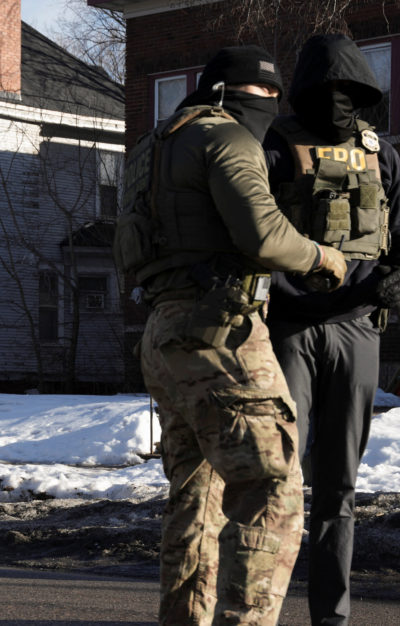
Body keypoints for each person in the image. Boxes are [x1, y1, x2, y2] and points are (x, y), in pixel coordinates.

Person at [114, 46, 347, 624]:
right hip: (222, 333)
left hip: (165, 333)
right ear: (239, 92)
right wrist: (324, 256)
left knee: (197, 499)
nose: (271, 106)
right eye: (268, 95)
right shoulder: (227, 138)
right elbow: (263, 235)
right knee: (271, 489)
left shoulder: (153, 145)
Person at [263, 33, 400, 625]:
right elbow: (250, 226)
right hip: (287, 327)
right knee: (274, 474)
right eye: (326, 91)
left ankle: (332, 618)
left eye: (350, 92)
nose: (338, 102)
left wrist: (393, 280)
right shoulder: (274, 144)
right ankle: (254, 610)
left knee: (340, 486)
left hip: (358, 329)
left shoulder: (383, 153)